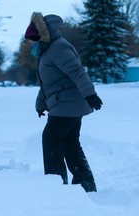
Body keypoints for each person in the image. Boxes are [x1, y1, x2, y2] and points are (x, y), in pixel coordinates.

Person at [24, 12, 103, 192]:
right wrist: (40, 104)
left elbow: (76, 71)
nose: (31, 44)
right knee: (70, 143)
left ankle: (56, 186)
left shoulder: (58, 48)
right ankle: (86, 184)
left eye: (32, 40)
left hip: (68, 104)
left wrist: (90, 93)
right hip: (66, 103)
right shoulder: (48, 51)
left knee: (50, 138)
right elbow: (48, 83)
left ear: (41, 36)